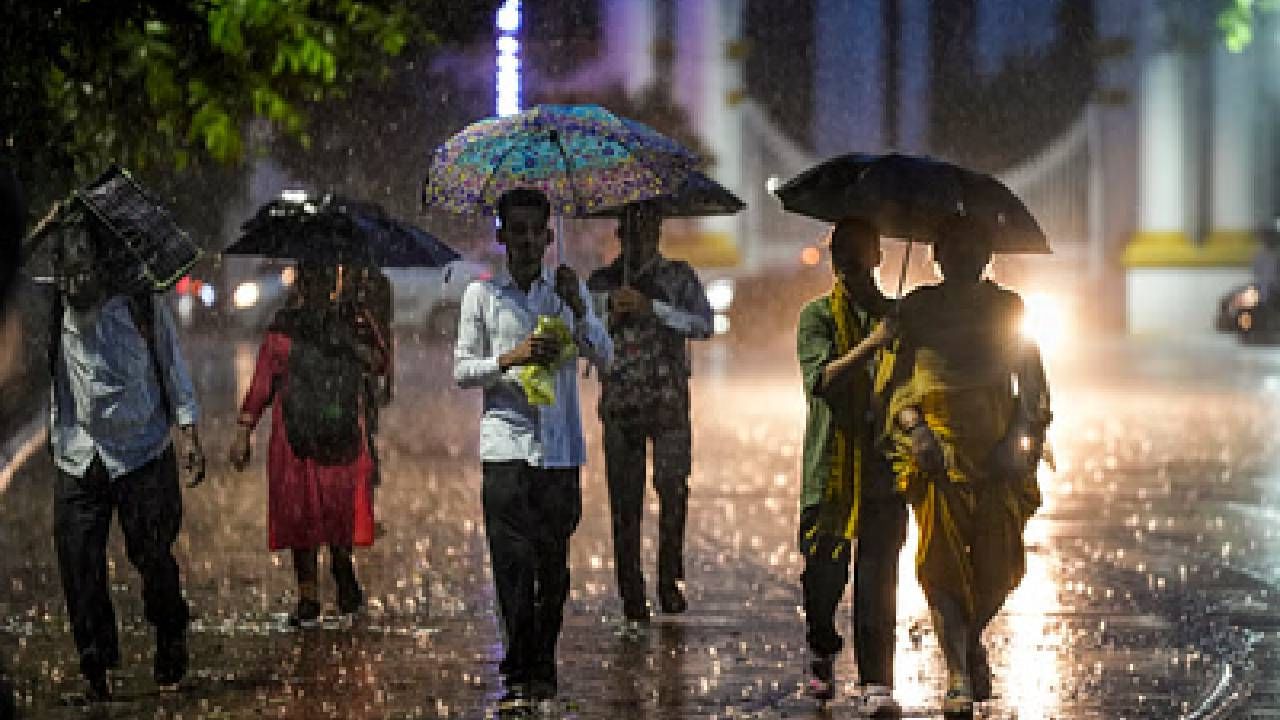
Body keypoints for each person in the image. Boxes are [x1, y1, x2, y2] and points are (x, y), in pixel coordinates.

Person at [882, 215, 1051, 714]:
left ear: (987, 256)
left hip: (999, 461)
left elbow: (1033, 385)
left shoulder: (1008, 308)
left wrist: (1021, 436)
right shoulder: (915, 310)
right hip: (937, 459)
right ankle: (956, 674)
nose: (963, 257)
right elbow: (894, 388)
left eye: (973, 247)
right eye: (953, 248)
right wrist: (916, 431)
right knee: (942, 569)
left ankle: (969, 638)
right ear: (936, 256)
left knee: (998, 571)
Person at [454, 187, 612, 713]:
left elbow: (605, 355)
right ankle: (522, 671)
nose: (525, 240)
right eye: (514, 230)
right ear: (501, 236)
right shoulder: (481, 297)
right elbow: (461, 370)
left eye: (534, 231)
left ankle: (541, 659)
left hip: (561, 450)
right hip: (505, 448)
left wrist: (581, 307)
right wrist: (510, 358)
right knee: (512, 565)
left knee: (554, 569)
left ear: (548, 236)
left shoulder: (567, 292)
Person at [46, 217, 206, 701]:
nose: (74, 285)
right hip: (79, 453)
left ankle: (170, 636)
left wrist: (189, 433)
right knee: (79, 565)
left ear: (103, 267)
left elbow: (173, 365)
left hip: (142, 450)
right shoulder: (55, 304)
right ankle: (96, 668)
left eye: (81, 273)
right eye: (65, 274)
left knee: (153, 557)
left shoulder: (140, 303)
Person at [229, 262, 386, 626]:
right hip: (297, 438)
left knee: (334, 508)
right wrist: (243, 430)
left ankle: (339, 568)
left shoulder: (352, 322)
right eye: (314, 278)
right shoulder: (286, 327)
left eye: (325, 278)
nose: (319, 286)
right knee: (303, 514)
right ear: (302, 282)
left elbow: (380, 363)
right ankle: (309, 595)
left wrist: (352, 344)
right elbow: (263, 383)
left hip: (335, 434)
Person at [795, 218, 906, 715]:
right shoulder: (816, 317)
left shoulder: (899, 318)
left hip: (883, 466)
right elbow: (821, 381)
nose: (849, 257)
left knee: (878, 576)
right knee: (824, 577)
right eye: (841, 247)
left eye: (859, 248)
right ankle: (821, 648)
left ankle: (876, 682)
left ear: (878, 255)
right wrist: (873, 345)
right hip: (831, 467)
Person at [586, 201, 713, 623]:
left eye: (647, 230)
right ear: (619, 235)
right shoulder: (603, 281)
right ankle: (631, 590)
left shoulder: (678, 277)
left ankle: (669, 579)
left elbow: (704, 325)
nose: (640, 239)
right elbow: (582, 339)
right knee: (625, 501)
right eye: (632, 231)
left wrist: (653, 309)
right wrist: (609, 315)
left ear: (658, 232)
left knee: (673, 491)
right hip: (620, 404)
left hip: (669, 402)